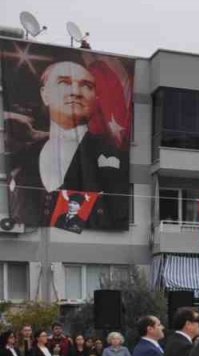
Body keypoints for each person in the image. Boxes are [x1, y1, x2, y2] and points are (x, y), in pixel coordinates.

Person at [6, 59, 131, 229]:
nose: (76, 92)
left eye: (86, 85)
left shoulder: (113, 154)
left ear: (96, 98)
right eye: (64, 82)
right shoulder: (23, 157)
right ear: (45, 94)